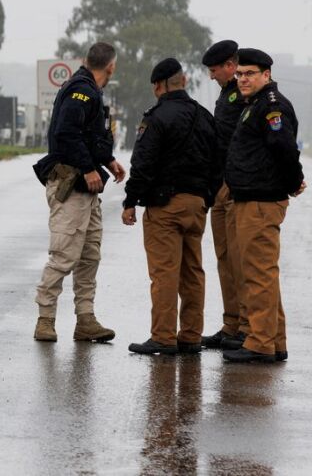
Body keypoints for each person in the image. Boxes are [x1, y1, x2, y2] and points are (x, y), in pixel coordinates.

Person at [122, 58, 220, 355]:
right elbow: (219, 163)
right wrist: (207, 198)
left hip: (164, 205)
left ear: (158, 86)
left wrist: (130, 200)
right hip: (197, 204)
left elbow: (143, 163)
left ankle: (163, 337)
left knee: (165, 272)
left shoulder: (156, 117)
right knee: (193, 272)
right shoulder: (204, 116)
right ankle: (190, 335)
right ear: (184, 81)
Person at [31, 42, 126, 342]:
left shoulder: (90, 90)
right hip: (71, 183)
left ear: (86, 60)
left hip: (86, 189)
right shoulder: (81, 90)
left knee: (89, 256)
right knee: (63, 254)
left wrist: (108, 161)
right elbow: (66, 132)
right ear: (111, 66)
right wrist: (88, 167)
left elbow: (89, 136)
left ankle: (86, 319)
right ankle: (44, 319)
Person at [223, 48, 305, 363]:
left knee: (258, 275)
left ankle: (259, 342)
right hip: (251, 197)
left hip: (260, 200)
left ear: (266, 75)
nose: (242, 79)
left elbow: (284, 147)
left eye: (249, 74)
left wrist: (293, 181)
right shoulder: (254, 105)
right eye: (240, 74)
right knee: (263, 275)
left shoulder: (271, 107)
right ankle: (275, 341)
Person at [199, 40, 249, 350]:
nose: (211, 75)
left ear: (230, 66)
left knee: (240, 259)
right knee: (224, 258)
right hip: (220, 185)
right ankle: (232, 324)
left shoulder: (243, 94)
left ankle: (246, 326)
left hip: (236, 183)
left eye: (214, 69)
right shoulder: (225, 94)